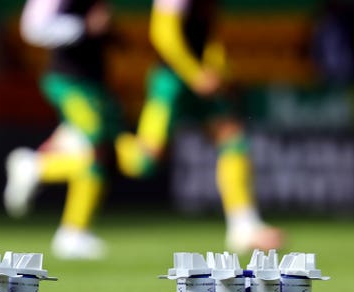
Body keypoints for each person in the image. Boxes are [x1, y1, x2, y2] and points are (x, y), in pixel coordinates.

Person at [114, 0, 283, 252]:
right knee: (144, 161)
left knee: (232, 137)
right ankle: (105, 140)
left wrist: (218, 68)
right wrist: (194, 73)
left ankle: (243, 226)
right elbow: (163, 34)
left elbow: (207, 37)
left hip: (199, 76)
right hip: (170, 81)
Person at [4, 0, 123, 260]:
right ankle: (72, 232)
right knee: (97, 147)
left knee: (99, 152)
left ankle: (38, 168)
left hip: (94, 83)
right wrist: (82, 27)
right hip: (69, 80)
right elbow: (33, 27)